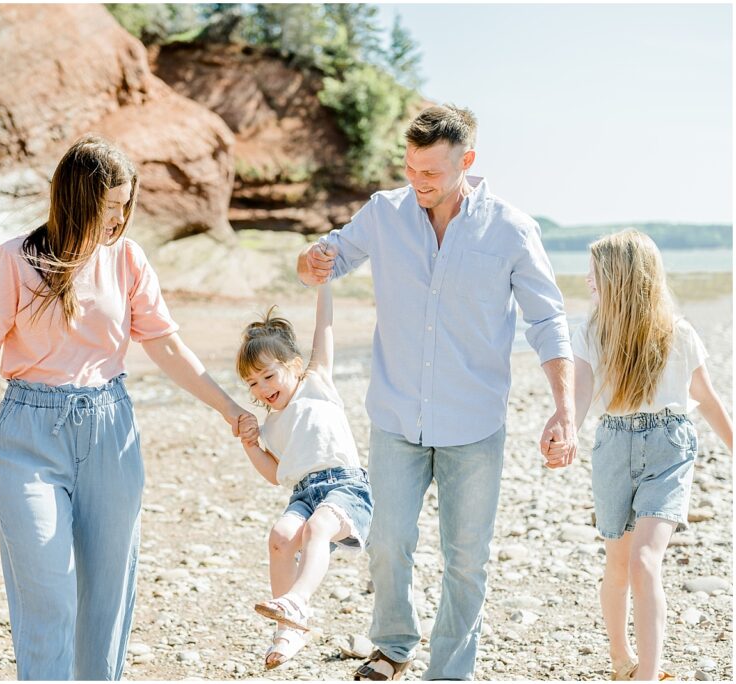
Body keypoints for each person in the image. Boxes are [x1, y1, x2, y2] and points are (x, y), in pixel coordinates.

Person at [0, 135, 254, 681]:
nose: (121, 218)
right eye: (112, 206)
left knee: (107, 592)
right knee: (49, 591)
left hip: (111, 432)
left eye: (127, 205)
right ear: (79, 199)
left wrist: (230, 410)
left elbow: (167, 346)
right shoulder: (12, 261)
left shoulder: (128, 259)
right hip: (28, 437)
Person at [297, 104, 576, 681]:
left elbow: (547, 321)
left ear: (466, 162)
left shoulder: (510, 229)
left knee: (466, 560)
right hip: (397, 416)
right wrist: (310, 262)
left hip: (474, 426)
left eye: (432, 173)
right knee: (386, 543)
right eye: (410, 168)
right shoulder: (384, 213)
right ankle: (394, 645)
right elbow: (331, 258)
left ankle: (450, 671)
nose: (418, 182)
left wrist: (564, 410)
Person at [562, 229, 732, 681]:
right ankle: (622, 661)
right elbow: (577, 396)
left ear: (620, 278)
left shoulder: (678, 334)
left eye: (595, 272)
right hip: (613, 445)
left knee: (644, 560)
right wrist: (565, 430)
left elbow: (707, 398)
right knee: (617, 562)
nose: (586, 280)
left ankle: (649, 674)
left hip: (669, 447)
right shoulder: (589, 333)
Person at [234, 283, 374, 670]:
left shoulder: (317, 381)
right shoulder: (271, 425)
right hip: (303, 493)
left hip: (346, 487)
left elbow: (324, 328)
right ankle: (288, 630)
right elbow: (274, 473)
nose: (263, 389)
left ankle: (297, 602)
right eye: (252, 384)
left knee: (317, 528)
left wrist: (325, 285)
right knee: (280, 537)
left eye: (268, 375)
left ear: (293, 365)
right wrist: (251, 447)